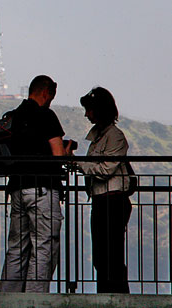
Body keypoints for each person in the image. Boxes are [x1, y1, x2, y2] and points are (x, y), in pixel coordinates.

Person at [0, 75, 72, 293]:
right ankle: (35, 299)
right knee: (44, 246)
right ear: (45, 92)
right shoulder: (46, 115)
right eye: (51, 96)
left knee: (16, 249)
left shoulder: (13, 116)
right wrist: (67, 153)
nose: (51, 100)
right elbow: (58, 156)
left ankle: (8, 300)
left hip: (17, 189)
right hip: (42, 190)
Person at [75, 87, 131, 293]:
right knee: (101, 255)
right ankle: (108, 295)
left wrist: (79, 164)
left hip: (113, 201)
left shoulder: (113, 136)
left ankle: (116, 296)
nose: (87, 114)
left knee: (112, 254)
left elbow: (106, 168)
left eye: (89, 110)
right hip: (101, 200)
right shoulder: (101, 136)